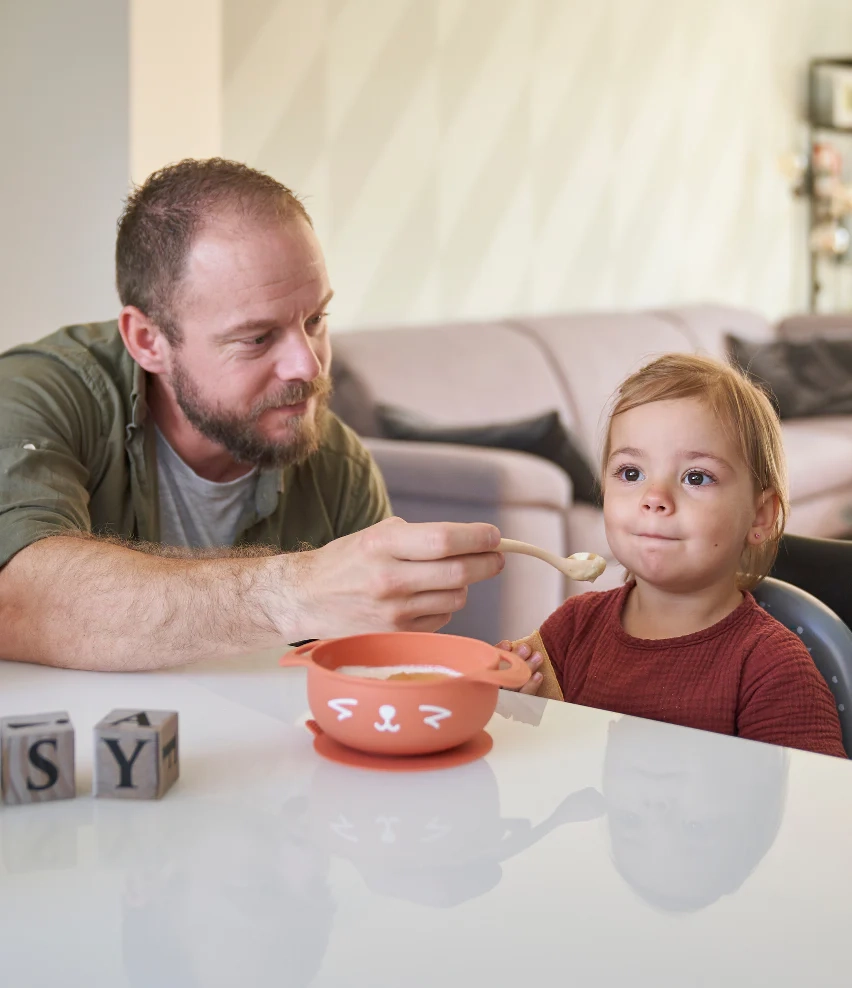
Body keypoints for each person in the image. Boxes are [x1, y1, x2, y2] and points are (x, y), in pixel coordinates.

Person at [0, 158, 503, 671]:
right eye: (257, 337)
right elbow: (16, 596)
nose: (308, 364)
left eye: (315, 319)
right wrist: (294, 592)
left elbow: (369, 683)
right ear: (148, 341)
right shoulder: (35, 397)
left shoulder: (337, 463)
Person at [499, 353, 845, 758]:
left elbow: (816, 808)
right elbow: (531, 762)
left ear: (761, 515)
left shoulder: (771, 668)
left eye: (696, 477)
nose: (654, 498)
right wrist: (508, 706)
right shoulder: (571, 631)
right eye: (631, 473)